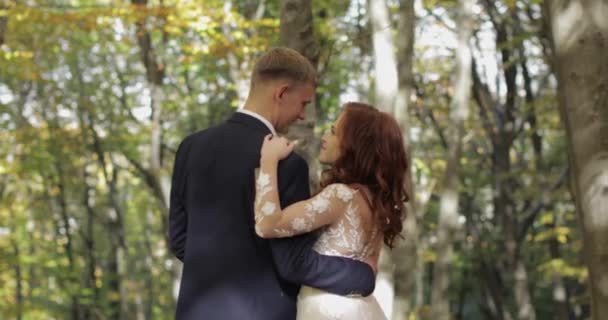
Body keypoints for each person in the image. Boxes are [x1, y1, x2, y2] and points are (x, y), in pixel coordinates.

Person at [168, 47, 376, 320]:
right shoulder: (288, 164)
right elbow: (293, 263)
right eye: (303, 103)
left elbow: (180, 240)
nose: (302, 115)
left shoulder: (191, 147)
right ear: (281, 93)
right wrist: (360, 274)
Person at [254, 102, 409, 319]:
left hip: (327, 310)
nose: (325, 137)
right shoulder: (373, 200)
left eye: (334, 132)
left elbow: (267, 225)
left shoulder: (340, 195)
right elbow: (369, 267)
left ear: (354, 145)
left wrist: (268, 162)